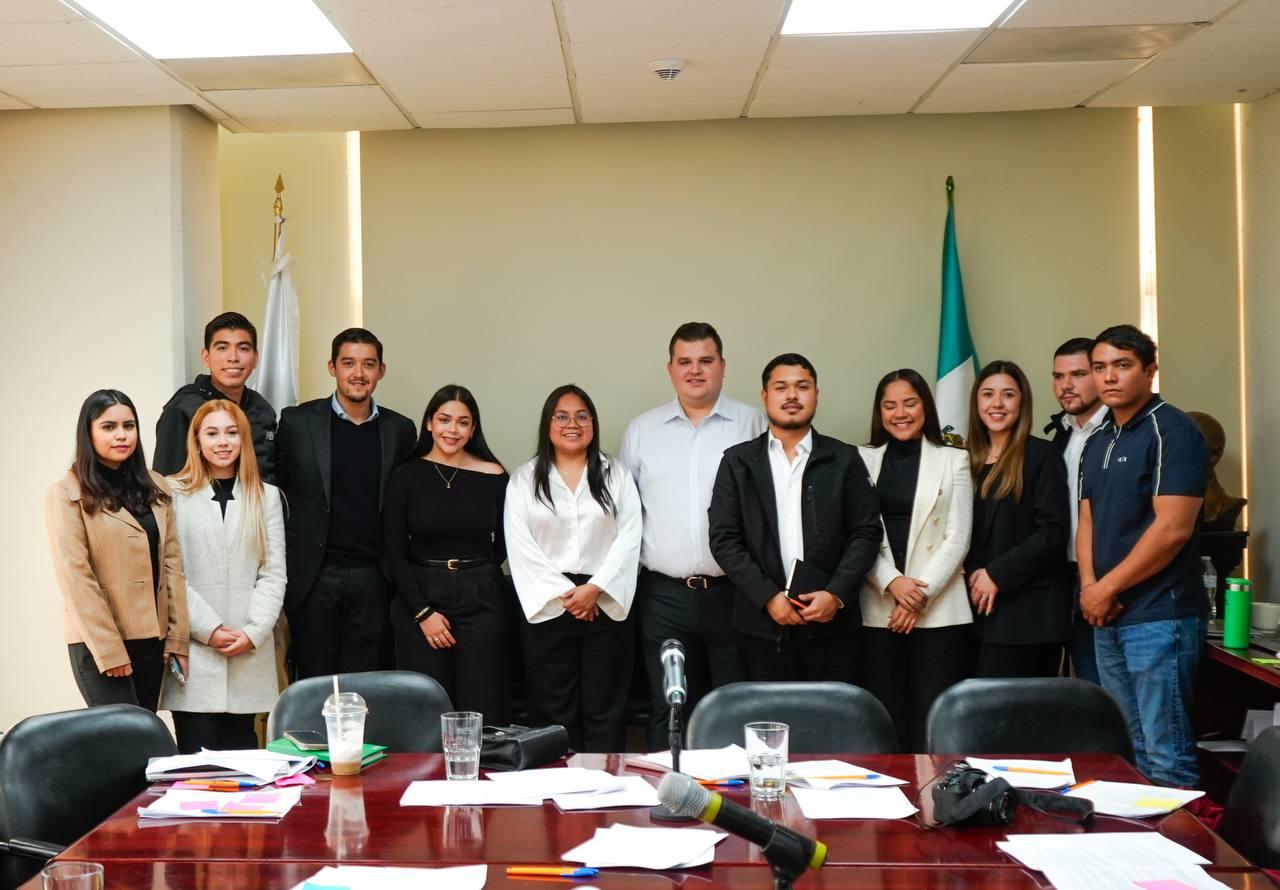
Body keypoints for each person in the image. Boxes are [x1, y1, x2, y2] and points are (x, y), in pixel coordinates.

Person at [618, 322, 765, 750]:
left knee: (735, 704)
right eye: (685, 362)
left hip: (736, 594)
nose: (695, 370)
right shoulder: (642, 431)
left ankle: (737, 807)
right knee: (669, 705)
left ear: (722, 366)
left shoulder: (754, 424)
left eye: (705, 361)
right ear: (670, 369)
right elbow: (625, 515)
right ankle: (670, 797)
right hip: (663, 595)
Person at [1079, 325, 1209, 787]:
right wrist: (1090, 590)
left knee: (1166, 754)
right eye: (1099, 367)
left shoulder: (1173, 430)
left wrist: (1105, 589)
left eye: (1122, 365)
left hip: (1160, 616)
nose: (1109, 377)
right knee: (1130, 754)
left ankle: (1185, 858)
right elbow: (1088, 522)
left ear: (1150, 370)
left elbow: (1173, 528)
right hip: (1107, 617)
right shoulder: (1097, 440)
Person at [708, 354, 881, 683]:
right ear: (765, 396)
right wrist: (768, 597)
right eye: (781, 387)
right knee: (767, 727)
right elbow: (724, 538)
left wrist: (836, 594)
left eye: (802, 387)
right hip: (761, 628)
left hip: (833, 628)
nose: (792, 395)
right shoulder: (738, 462)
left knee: (830, 725)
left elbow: (866, 533)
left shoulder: (844, 459)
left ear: (816, 393)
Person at [504, 385, 641, 752]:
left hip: (605, 602)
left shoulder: (617, 475)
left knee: (605, 708)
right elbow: (520, 547)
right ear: (547, 424)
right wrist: (568, 595)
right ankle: (554, 796)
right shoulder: (524, 479)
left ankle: (605, 793)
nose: (572, 424)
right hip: (548, 603)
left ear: (593, 424)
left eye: (582, 416)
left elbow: (630, 537)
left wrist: (595, 588)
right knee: (552, 709)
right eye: (561, 416)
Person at [276, 328, 416, 679]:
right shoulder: (297, 422)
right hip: (314, 575)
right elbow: (276, 493)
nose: (358, 373)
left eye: (369, 364)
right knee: (314, 682)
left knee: (364, 684)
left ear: (381, 370)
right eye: (348, 363)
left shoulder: (400, 430)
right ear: (332, 367)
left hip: (374, 576)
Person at [45, 389, 189, 712]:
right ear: (89, 433)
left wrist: (177, 638)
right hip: (101, 643)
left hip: (153, 640)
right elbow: (76, 579)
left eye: (129, 425)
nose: (122, 435)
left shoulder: (157, 487)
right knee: (120, 741)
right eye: (109, 427)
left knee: (145, 738)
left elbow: (172, 565)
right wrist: (109, 650)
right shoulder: (66, 494)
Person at [857, 369, 974, 750]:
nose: (900, 413)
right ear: (879, 412)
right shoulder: (862, 460)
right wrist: (894, 583)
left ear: (925, 405)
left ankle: (935, 805)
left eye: (909, 403)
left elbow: (958, 537)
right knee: (885, 721)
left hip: (940, 611)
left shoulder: (954, 459)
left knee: (934, 721)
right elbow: (857, 534)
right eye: (889, 405)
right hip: (878, 608)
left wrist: (917, 595)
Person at [161, 400, 286, 753]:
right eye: (212, 433)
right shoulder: (172, 494)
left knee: (245, 764)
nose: (223, 442)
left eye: (232, 433)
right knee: (195, 766)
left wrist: (253, 631)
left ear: (245, 439)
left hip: (247, 648)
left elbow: (273, 574)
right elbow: (171, 573)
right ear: (196, 440)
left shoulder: (267, 497)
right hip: (196, 649)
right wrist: (209, 629)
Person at [384, 385, 512, 723]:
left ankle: (484, 775)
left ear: (473, 429)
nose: (452, 430)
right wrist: (423, 612)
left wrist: (477, 574)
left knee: (484, 706)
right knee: (427, 707)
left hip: (482, 594)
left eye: (462, 422)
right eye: (444, 420)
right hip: (421, 593)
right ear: (429, 423)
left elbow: (508, 541)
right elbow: (394, 550)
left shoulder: (494, 475)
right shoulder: (405, 475)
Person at [964, 360, 1071, 678]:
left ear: (1022, 402)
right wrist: (974, 573)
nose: (997, 404)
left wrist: (996, 574)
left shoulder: (1041, 455)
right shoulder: (963, 458)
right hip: (976, 611)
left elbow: (1052, 532)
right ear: (976, 402)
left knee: (1020, 721)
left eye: (1008, 395)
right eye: (988, 394)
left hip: (1028, 616)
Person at [1046, 337, 1108, 684]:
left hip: (1105, 578)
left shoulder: (1121, 431)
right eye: (1058, 376)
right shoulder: (1060, 433)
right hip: (1061, 577)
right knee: (1076, 688)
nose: (1066, 385)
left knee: (1106, 687)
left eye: (1078, 374)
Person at [154, 312, 278, 482]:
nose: (233, 358)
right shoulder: (184, 407)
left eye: (243, 348)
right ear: (206, 356)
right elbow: (166, 481)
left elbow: (269, 472)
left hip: (259, 505)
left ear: (255, 358)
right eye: (222, 348)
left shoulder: (262, 408)